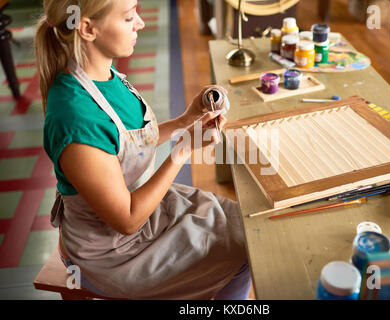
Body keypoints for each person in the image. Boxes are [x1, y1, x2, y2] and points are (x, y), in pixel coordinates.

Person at [35, 0, 251, 299]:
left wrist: (184, 121)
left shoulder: (105, 76)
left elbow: (129, 144)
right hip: (111, 254)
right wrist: (184, 149)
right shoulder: (75, 119)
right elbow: (127, 219)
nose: (141, 23)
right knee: (240, 252)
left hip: (144, 214)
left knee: (245, 227)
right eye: (128, 17)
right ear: (86, 28)